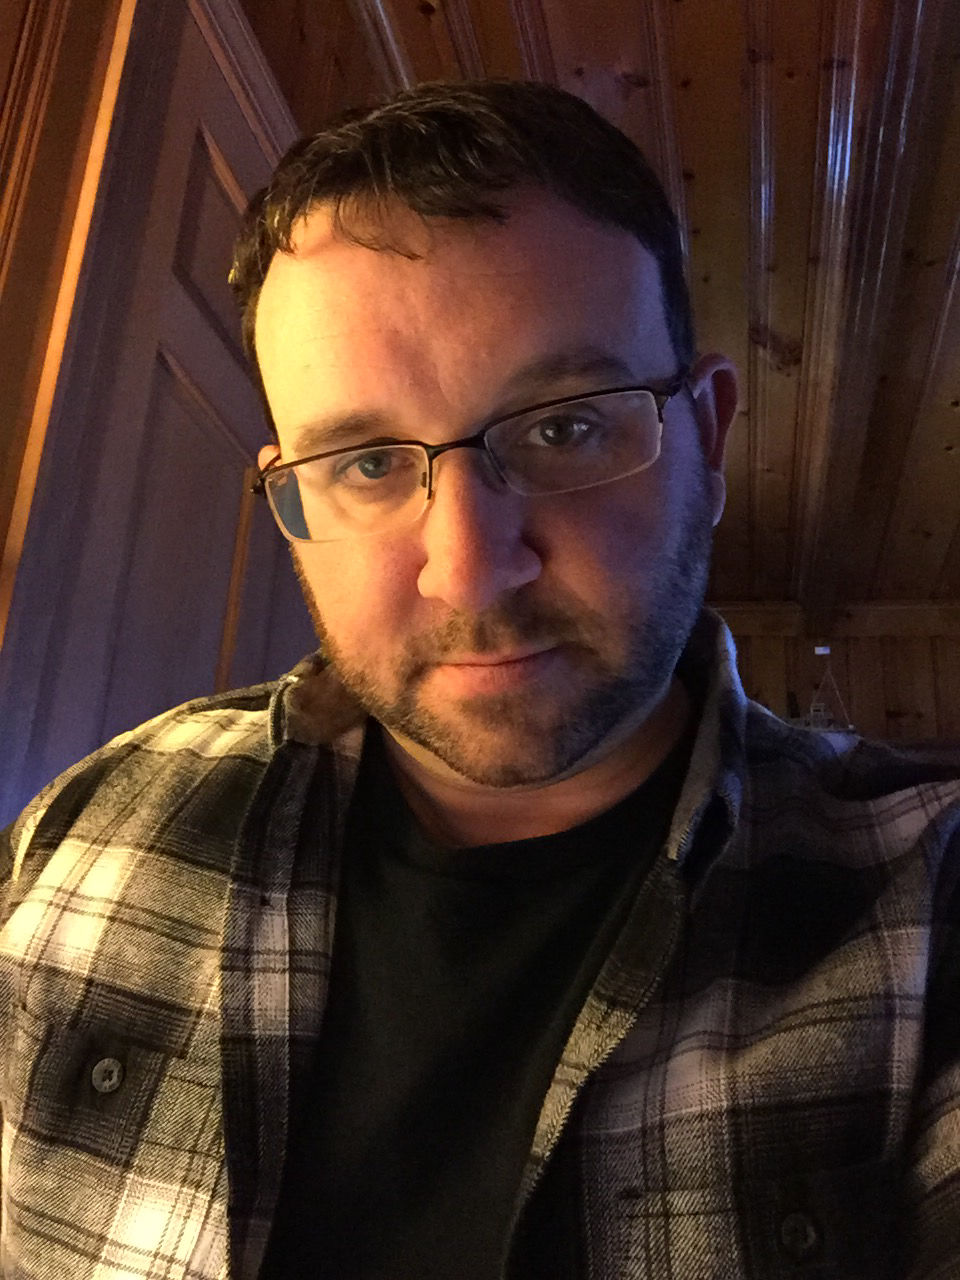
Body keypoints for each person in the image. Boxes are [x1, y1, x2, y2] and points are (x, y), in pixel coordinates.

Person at [1, 78, 958, 1280]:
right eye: (364, 462)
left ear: (707, 438)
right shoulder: (91, 824)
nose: (467, 568)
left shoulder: (930, 907)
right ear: (291, 495)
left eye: (564, 427)